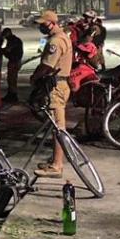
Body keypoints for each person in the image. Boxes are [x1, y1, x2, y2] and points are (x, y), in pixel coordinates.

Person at [30, 11, 73, 179]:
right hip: (59, 84)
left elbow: (47, 66)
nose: (40, 26)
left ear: (51, 23)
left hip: (56, 86)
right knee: (55, 125)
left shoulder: (56, 41)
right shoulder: (62, 37)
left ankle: (57, 165)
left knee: (57, 127)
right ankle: (55, 159)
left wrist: (34, 77)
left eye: (43, 23)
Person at [1, 28, 23, 102]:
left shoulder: (13, 41)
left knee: (12, 79)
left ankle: (13, 96)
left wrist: (2, 51)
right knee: (11, 79)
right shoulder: (15, 40)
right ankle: (11, 94)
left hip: (14, 62)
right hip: (15, 61)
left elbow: (7, 50)